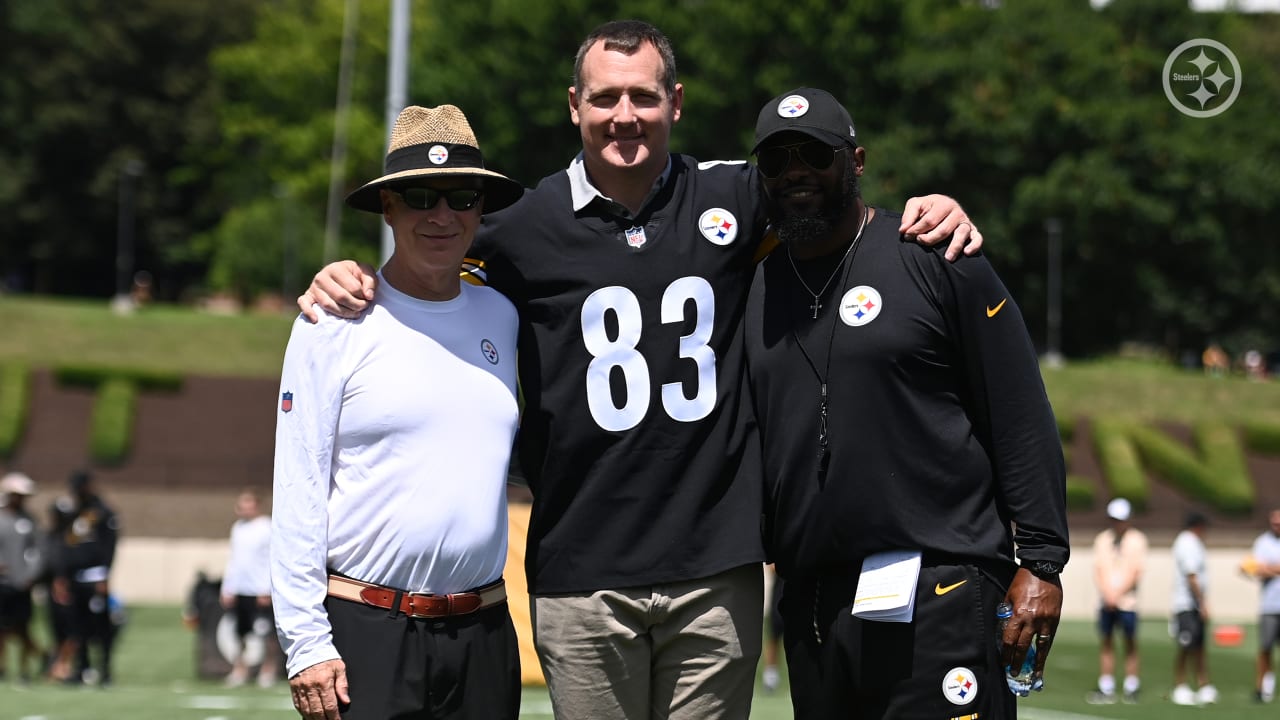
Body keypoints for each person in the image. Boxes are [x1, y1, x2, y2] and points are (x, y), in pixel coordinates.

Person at [299, 20, 983, 720]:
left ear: (675, 102)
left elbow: (834, 204)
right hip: (582, 569)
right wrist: (347, 277)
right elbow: (424, 270)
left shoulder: (738, 196)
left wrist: (925, 210)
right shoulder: (517, 226)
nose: (624, 115)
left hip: (715, 565)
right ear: (574, 106)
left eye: (643, 97)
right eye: (604, 99)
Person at [741, 87, 1069, 719]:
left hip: (940, 588)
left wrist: (1043, 562)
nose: (795, 171)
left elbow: (1020, 411)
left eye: (814, 152)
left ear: (856, 160)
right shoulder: (752, 285)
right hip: (813, 601)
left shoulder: (936, 254)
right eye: (776, 159)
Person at [272, 104, 525, 720]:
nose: (442, 215)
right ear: (387, 208)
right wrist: (305, 643)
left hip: (486, 634)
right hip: (368, 632)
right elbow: (297, 484)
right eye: (419, 197)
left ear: (481, 209)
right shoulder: (331, 321)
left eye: (461, 196)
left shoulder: (505, 315)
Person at [46, 469, 120, 686]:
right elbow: (62, 545)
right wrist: (60, 576)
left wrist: (105, 575)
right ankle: (82, 668)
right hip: (73, 578)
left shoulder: (102, 512)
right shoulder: (71, 513)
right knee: (77, 627)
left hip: (95, 577)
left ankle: (104, 670)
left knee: (101, 626)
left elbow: (110, 546)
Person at [1087, 497, 1147, 704]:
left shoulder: (1137, 540)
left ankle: (1131, 685)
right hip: (1107, 600)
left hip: (1127, 602)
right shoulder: (1103, 539)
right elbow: (1098, 569)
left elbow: (1136, 571)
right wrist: (1108, 594)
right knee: (1107, 642)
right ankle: (1107, 685)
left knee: (1130, 642)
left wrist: (1118, 594)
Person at [220, 488, 276, 688]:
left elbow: (272, 560)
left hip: (259, 591)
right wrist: (227, 588)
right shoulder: (237, 528)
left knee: (266, 632)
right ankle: (241, 669)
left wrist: (266, 588)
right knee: (239, 632)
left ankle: (268, 670)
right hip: (240, 589)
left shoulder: (267, 528)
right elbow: (234, 560)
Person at [0, 472, 45, 683]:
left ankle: (25, 669)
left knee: (23, 627)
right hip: (2, 583)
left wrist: (31, 575)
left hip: (22, 584)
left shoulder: (29, 521)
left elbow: (37, 551)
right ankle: (2, 667)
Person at [1171, 511, 1214, 706]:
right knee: (1186, 645)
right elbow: (1191, 575)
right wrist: (1202, 602)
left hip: (1194, 605)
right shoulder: (1186, 543)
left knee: (1199, 645)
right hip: (1186, 605)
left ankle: (1202, 683)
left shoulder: (1194, 543)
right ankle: (1180, 685)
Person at [1246, 508, 1280, 703]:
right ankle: (1261, 687)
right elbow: (1255, 569)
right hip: (1269, 605)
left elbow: (1264, 567)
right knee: (1265, 648)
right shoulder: (1262, 542)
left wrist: (1269, 567)